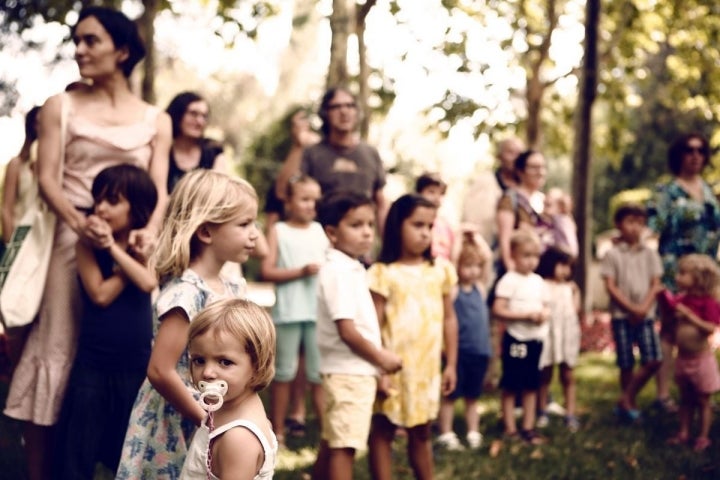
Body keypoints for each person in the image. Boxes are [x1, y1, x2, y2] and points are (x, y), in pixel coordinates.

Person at [3, 7, 171, 480]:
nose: (79, 50)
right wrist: (85, 226)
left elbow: (158, 188)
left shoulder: (156, 119)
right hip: (71, 240)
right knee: (57, 351)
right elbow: (50, 180)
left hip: (131, 242)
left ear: (122, 50)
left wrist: (148, 232)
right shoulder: (61, 105)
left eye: (90, 41)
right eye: (76, 41)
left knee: (120, 349)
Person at [116, 170, 258, 479]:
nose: (254, 234)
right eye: (244, 224)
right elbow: (159, 370)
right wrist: (205, 421)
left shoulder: (234, 288)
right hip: (178, 418)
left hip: (219, 408)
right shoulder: (186, 295)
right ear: (206, 232)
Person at [55, 165, 158, 478]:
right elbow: (100, 294)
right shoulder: (85, 245)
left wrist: (116, 249)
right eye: (98, 199)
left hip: (135, 366)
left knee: (129, 450)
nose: (100, 207)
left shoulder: (145, 244)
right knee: (78, 452)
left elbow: (148, 282)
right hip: (93, 364)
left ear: (136, 207)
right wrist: (128, 262)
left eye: (112, 200)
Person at [312, 191, 402, 480]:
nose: (366, 232)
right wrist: (381, 359)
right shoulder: (338, 271)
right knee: (345, 446)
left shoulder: (349, 267)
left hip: (351, 371)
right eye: (356, 225)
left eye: (370, 225)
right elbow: (347, 331)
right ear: (332, 232)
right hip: (348, 373)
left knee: (333, 438)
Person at [367, 193, 458, 480]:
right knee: (383, 429)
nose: (425, 233)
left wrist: (451, 364)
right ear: (397, 226)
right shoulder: (383, 273)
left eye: (430, 226)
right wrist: (379, 368)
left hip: (427, 370)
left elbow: (450, 319)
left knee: (421, 431)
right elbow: (374, 324)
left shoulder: (440, 270)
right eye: (417, 225)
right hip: (392, 369)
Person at [647, 132, 720, 413]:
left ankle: (700, 388)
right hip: (675, 270)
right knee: (670, 329)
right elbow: (653, 229)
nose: (696, 155)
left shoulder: (709, 190)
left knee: (703, 326)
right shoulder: (667, 191)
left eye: (701, 150)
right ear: (679, 155)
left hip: (705, 273)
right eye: (689, 150)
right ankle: (664, 394)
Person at [260, 174, 328, 446]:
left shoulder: (320, 231)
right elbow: (266, 270)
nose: (311, 205)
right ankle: (278, 431)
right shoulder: (278, 231)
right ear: (288, 201)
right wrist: (300, 272)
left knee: (318, 374)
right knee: (284, 372)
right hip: (288, 312)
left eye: (314, 200)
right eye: (304, 199)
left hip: (317, 313)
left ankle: (327, 433)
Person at [180, 299, 277, 479]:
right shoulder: (230, 407)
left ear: (257, 367)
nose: (208, 373)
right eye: (199, 360)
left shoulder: (239, 438)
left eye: (225, 362)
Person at [274, 87, 388, 230]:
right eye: (336, 106)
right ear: (325, 113)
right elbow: (283, 191)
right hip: (320, 241)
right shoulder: (312, 153)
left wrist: (388, 245)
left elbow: (381, 204)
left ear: (357, 112)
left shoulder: (370, 153)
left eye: (350, 105)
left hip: (360, 247)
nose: (344, 111)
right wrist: (297, 146)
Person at [600, 203, 663, 423]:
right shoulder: (612, 254)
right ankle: (629, 405)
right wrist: (631, 308)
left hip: (646, 315)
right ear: (619, 224)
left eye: (639, 223)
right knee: (626, 362)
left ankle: (626, 397)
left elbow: (656, 284)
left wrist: (644, 307)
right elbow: (611, 286)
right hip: (622, 316)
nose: (635, 228)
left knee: (653, 359)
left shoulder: (651, 254)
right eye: (630, 222)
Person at [492, 229, 549, 445]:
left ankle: (528, 426)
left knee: (531, 383)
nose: (531, 261)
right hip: (516, 339)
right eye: (526, 256)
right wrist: (524, 316)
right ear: (513, 255)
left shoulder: (538, 281)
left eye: (535, 256)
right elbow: (498, 310)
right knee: (512, 383)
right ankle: (509, 427)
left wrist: (543, 314)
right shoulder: (509, 280)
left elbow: (545, 306)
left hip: (535, 340)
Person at [436, 234, 492, 451]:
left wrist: (478, 239)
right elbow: (453, 258)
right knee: (450, 395)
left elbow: (486, 258)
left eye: (477, 266)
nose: (474, 271)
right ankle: (446, 432)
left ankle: (472, 431)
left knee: (473, 396)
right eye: (468, 266)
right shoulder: (455, 289)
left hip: (479, 352)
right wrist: (459, 238)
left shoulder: (481, 288)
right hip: (458, 353)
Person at [660, 254, 720, 452]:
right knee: (685, 399)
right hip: (683, 359)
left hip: (701, 361)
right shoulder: (682, 299)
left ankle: (703, 436)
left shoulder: (708, 302)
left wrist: (689, 315)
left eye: (683, 273)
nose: (677, 277)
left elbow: (710, 328)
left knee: (703, 400)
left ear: (699, 278)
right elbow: (669, 312)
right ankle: (683, 432)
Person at [535, 246, 581, 432]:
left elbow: (574, 311)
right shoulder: (541, 285)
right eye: (562, 265)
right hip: (549, 336)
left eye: (568, 267)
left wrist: (576, 294)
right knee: (545, 374)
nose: (566, 271)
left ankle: (570, 413)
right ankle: (542, 409)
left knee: (568, 374)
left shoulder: (570, 288)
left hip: (566, 335)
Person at [461, 136, 524, 247]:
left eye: (520, 154)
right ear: (499, 157)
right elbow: (474, 221)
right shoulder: (484, 182)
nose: (516, 158)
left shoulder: (526, 189)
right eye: (510, 152)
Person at [165, 91, 227, 194]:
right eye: (193, 114)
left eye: (204, 116)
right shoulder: (163, 152)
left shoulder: (214, 151)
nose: (200, 122)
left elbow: (218, 194)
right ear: (177, 114)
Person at [2, 106, 41, 245]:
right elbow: (7, 209)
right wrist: (10, 245)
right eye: (38, 122)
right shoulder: (16, 165)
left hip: (43, 237)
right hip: (19, 237)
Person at [415, 172, 455, 261]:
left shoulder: (445, 225)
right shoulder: (411, 222)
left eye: (441, 194)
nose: (437, 197)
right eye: (431, 192)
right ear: (419, 193)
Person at [543, 188, 578, 258]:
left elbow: (571, 245)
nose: (546, 199)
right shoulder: (556, 220)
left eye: (549, 205)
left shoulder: (562, 220)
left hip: (562, 256)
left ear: (561, 207)